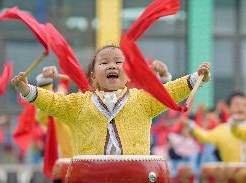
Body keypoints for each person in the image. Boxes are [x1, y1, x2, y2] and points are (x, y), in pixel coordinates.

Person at [11, 45, 211, 156]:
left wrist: (195, 78)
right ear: (92, 77)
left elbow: (169, 91)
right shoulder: (79, 104)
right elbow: (53, 103)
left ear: (129, 74)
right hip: (91, 175)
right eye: (104, 62)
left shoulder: (143, 100)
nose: (112, 66)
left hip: (136, 174)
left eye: (118, 62)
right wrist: (27, 89)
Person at [184, 91, 246, 162]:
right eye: (237, 105)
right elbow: (205, 136)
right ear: (228, 108)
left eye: (244, 105)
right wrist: (190, 125)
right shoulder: (222, 129)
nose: (241, 109)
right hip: (231, 172)